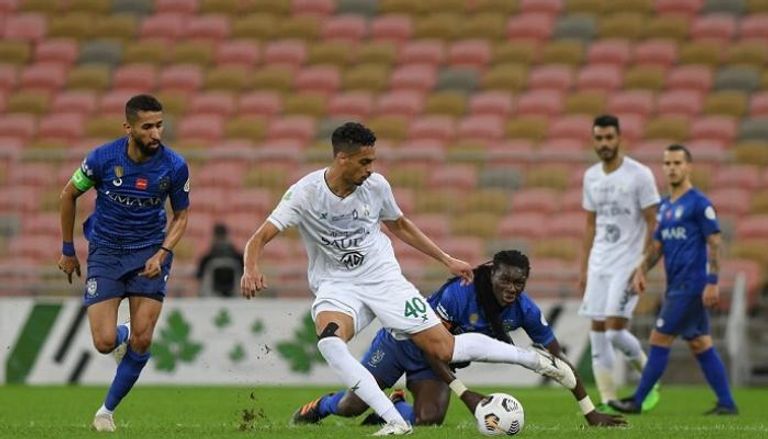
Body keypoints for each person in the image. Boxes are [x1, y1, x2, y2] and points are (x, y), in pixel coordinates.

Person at [240, 122, 576, 436]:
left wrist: (445, 259)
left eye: (373, 160)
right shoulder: (304, 193)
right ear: (342, 158)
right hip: (338, 286)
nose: (370, 168)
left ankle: (533, 359)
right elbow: (259, 237)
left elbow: (400, 225)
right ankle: (396, 421)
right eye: (364, 161)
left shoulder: (376, 187)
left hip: (385, 280)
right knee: (330, 342)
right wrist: (251, 268)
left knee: (445, 348)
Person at [291, 250, 627, 428]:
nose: (512, 288)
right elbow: (433, 346)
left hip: (438, 361)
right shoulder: (459, 294)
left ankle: (395, 406)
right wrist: (465, 394)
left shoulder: (524, 309)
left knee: (430, 420)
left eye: (519, 283)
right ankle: (321, 405)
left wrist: (589, 410)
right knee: (352, 407)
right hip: (402, 344)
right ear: (490, 272)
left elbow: (557, 359)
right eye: (505, 280)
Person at [58, 94, 190, 432]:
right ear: (128, 128)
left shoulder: (174, 166)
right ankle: (125, 334)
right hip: (105, 252)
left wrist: (161, 254)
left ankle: (105, 412)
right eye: (147, 127)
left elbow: (181, 216)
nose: (156, 134)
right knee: (104, 343)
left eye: (160, 125)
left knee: (143, 342)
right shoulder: (102, 159)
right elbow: (68, 194)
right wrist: (68, 249)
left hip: (149, 253)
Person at [609, 144, 738, 415]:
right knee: (700, 342)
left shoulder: (699, 203)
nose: (672, 168)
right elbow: (657, 247)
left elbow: (715, 243)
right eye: (667, 163)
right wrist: (641, 269)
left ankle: (638, 401)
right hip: (676, 285)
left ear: (688, 167)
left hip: (691, 286)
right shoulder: (665, 207)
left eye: (678, 163)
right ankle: (727, 403)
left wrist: (713, 281)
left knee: (659, 338)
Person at [578, 114, 661, 411]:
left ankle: (650, 380)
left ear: (619, 138)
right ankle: (609, 399)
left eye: (609, 137)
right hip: (599, 263)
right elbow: (590, 225)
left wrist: (644, 264)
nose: (604, 143)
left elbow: (654, 223)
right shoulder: (591, 177)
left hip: (627, 265)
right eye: (599, 138)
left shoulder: (639, 175)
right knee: (597, 333)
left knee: (614, 330)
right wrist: (584, 268)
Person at [196, 223, 243, 297]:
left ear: (214, 236)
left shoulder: (208, 256)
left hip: (211, 294)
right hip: (234, 293)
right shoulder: (236, 255)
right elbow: (245, 271)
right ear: (227, 236)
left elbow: (199, 275)